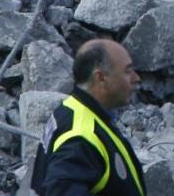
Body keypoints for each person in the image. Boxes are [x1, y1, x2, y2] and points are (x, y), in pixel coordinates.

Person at [31, 40, 145, 196]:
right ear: (101, 77)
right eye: (127, 71)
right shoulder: (80, 137)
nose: (136, 78)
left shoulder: (73, 109)